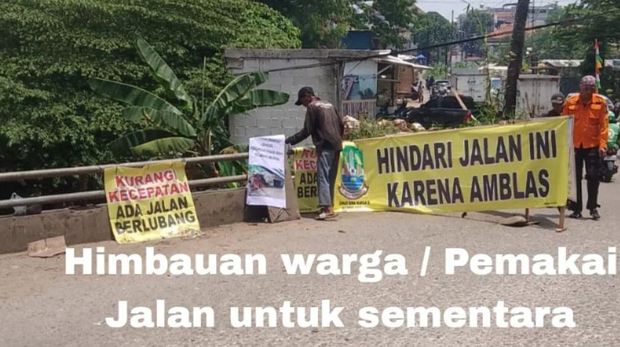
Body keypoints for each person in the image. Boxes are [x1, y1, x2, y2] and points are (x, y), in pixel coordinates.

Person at [286, 87, 344, 220]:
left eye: (302, 102)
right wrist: (339, 140)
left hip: (325, 145)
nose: (304, 106)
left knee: (322, 177)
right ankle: (330, 206)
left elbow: (307, 130)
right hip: (337, 145)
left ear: (307, 97)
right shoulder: (329, 104)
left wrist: (290, 140)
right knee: (331, 177)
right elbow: (341, 125)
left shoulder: (312, 107)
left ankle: (327, 209)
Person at [561, 75, 609, 219]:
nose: (587, 90)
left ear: (594, 89)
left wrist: (603, 145)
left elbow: (603, 127)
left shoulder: (600, 104)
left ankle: (593, 207)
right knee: (575, 179)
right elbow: (563, 123)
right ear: (580, 87)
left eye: (590, 88)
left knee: (593, 177)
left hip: (593, 145)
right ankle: (576, 209)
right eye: (585, 87)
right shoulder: (570, 103)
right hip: (574, 146)